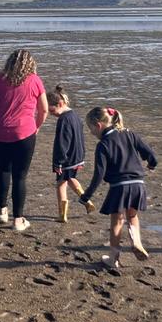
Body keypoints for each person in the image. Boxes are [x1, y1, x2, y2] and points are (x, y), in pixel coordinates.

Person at [0, 48, 48, 232]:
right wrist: (36, 126)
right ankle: (18, 219)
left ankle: (1, 211)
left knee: (3, 170)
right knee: (20, 176)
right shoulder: (34, 80)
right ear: (31, 64)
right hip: (25, 134)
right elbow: (44, 109)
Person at [79, 107, 158, 269]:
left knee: (116, 222)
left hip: (119, 187)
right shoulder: (130, 134)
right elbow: (150, 154)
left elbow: (98, 175)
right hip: (138, 184)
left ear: (98, 125)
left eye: (91, 129)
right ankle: (136, 241)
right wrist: (151, 164)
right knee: (132, 215)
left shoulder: (103, 145)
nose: (91, 133)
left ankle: (113, 258)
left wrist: (86, 195)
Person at [46, 86, 95, 222]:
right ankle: (87, 201)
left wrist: (58, 161)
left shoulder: (63, 120)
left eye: (52, 110)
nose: (51, 114)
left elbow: (62, 142)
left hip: (66, 158)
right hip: (77, 155)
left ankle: (62, 215)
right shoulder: (75, 116)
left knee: (61, 184)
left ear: (60, 104)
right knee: (71, 179)